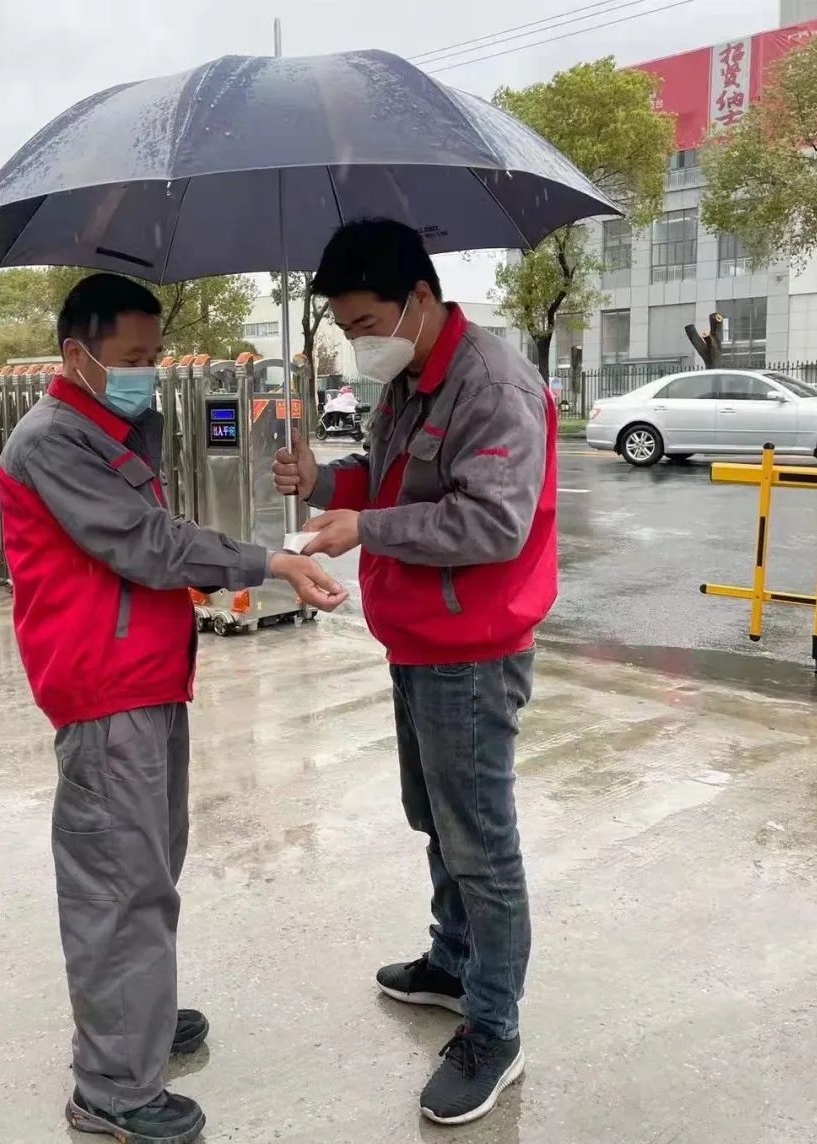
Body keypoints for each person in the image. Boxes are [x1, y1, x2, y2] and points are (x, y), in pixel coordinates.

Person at [0, 273, 347, 1144]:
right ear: (76, 354)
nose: (145, 373)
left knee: (148, 866)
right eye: (132, 357)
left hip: (145, 678)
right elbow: (147, 545)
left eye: (154, 356)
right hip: (103, 684)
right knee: (119, 883)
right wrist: (268, 561)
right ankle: (112, 1089)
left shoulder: (106, 428)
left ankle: (135, 1017)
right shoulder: (52, 441)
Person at [272, 219, 556, 1127]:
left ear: (420, 299)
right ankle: (453, 961)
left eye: (364, 323)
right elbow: (391, 476)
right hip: (417, 640)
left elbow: (492, 523)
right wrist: (324, 482)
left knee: (480, 842)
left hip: (473, 650)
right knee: (434, 816)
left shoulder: (493, 386)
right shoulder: (410, 379)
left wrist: (368, 528)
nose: (358, 343)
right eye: (346, 328)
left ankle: (494, 1027)